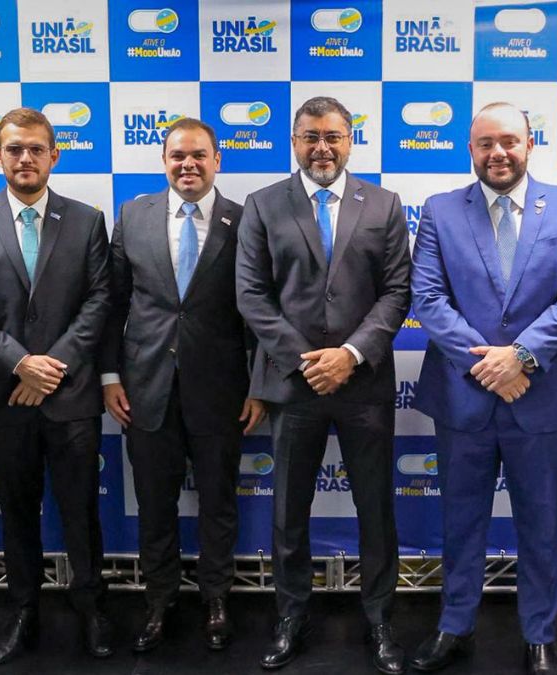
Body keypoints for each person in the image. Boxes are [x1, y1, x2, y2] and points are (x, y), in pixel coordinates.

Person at [409, 102, 557, 675]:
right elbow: (428, 297)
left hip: (539, 396)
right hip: (462, 396)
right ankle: (455, 626)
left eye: (510, 141)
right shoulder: (441, 211)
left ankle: (539, 633)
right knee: (460, 521)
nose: (498, 153)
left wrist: (519, 357)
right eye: (486, 143)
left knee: (541, 524)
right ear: (470, 149)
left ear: (529, 144)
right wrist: (488, 365)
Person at [235, 96, 411, 674]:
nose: (322, 148)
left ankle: (380, 618)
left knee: (375, 510)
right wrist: (307, 360)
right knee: (289, 512)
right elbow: (251, 295)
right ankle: (291, 616)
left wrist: (350, 355)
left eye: (333, 136)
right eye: (310, 137)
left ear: (350, 140)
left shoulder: (384, 205)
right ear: (294, 142)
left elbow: (397, 292)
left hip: (363, 383)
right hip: (294, 384)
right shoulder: (263, 205)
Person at [0, 107, 113, 663]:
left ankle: (91, 607)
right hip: (3, 396)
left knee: (80, 510)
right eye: (14, 149)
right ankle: (23, 610)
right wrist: (21, 364)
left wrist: (50, 367)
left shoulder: (86, 220)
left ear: (53, 156)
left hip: (70, 395)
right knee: (17, 512)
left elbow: (99, 301)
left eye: (36, 149)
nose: (25, 158)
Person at [99, 117, 264, 653]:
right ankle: (159, 600)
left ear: (218, 161)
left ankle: (216, 597)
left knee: (218, 503)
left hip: (223, 390)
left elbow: (260, 309)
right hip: (144, 388)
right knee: (154, 504)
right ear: (164, 161)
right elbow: (113, 303)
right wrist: (109, 375)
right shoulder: (133, 215)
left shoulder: (246, 220)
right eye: (177, 156)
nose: (188, 165)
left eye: (198, 155)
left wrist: (259, 384)